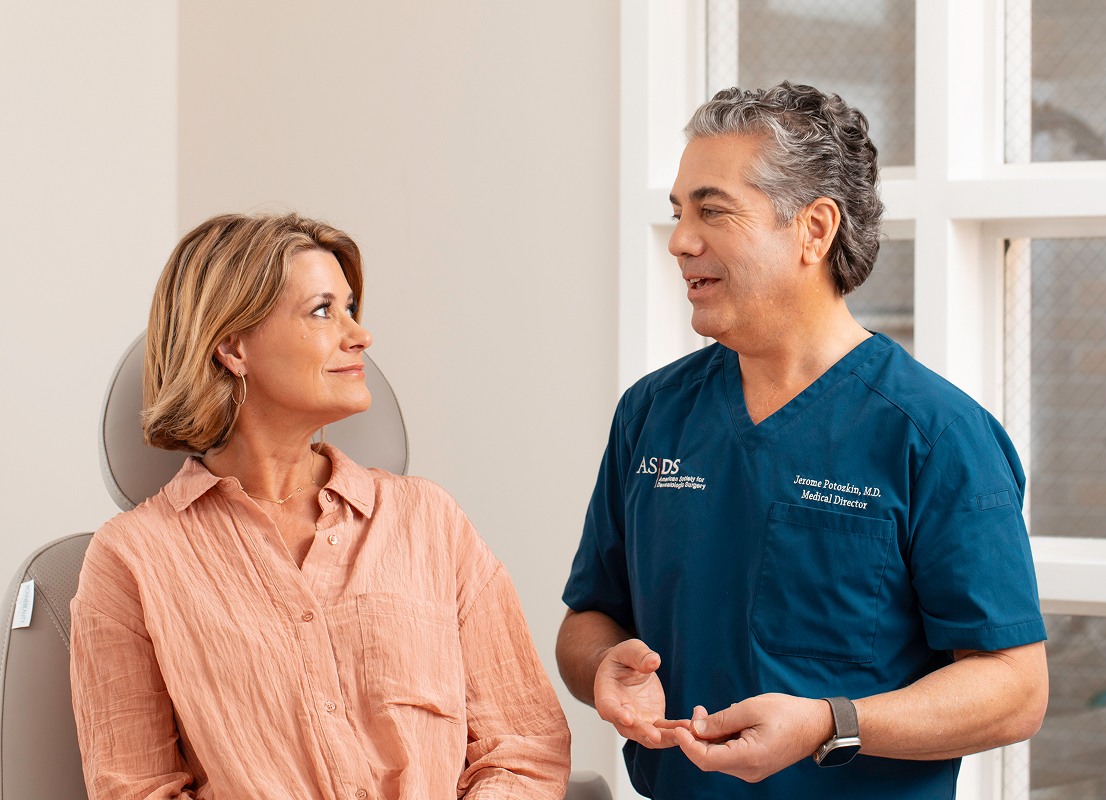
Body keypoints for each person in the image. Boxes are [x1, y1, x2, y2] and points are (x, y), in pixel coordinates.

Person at [557, 82, 1048, 799]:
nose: (680, 241)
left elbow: (1015, 689)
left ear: (814, 230)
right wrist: (603, 666)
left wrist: (829, 723)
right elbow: (588, 620)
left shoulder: (934, 435)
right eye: (678, 212)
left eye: (712, 210)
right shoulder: (652, 414)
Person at [70, 212, 570, 799]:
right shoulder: (132, 560)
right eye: (322, 310)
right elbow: (137, 789)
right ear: (232, 345)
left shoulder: (430, 523)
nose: (359, 335)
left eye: (351, 308)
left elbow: (524, 750)